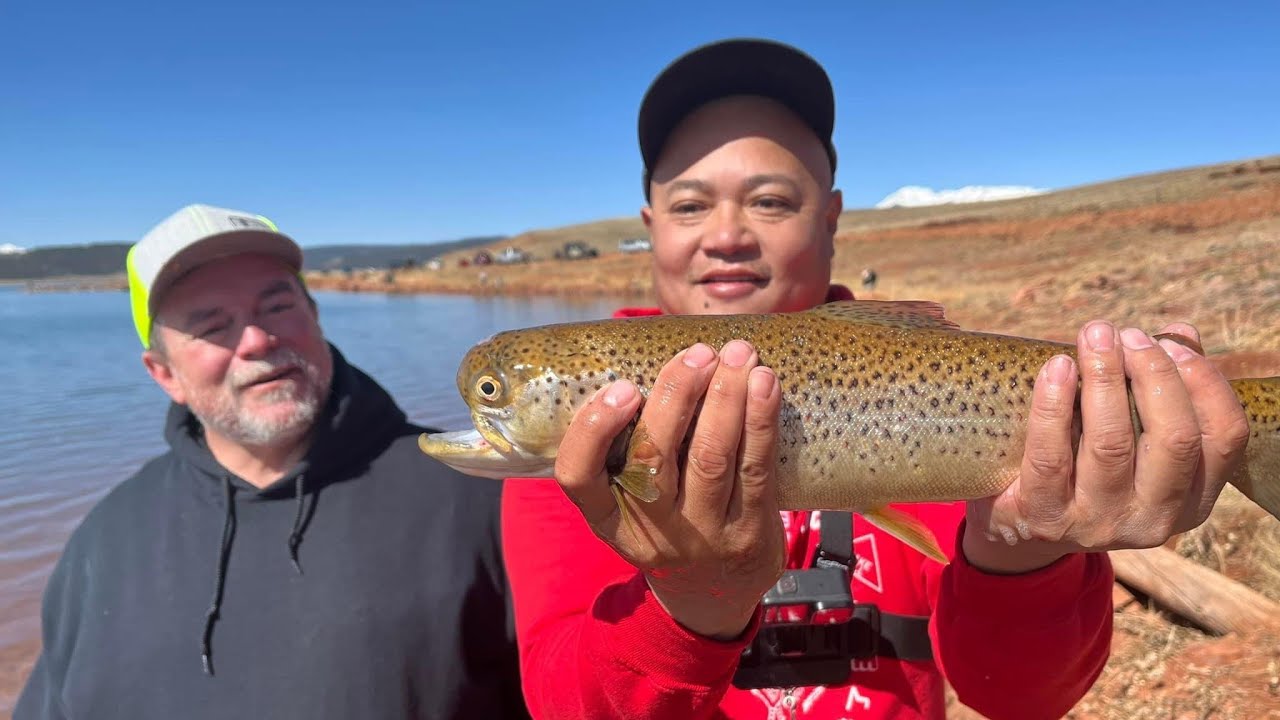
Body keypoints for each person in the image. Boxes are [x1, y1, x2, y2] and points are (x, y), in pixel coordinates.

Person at [500, 39, 1250, 719]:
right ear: (649, 223)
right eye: (690, 204)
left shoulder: (917, 385)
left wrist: (1025, 545)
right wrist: (694, 601)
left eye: (769, 200)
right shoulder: (586, 436)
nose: (726, 235)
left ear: (829, 220)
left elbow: (1015, 697)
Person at [15, 204, 531, 720]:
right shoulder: (105, 539)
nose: (258, 340)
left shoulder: (479, 491)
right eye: (212, 325)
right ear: (164, 374)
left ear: (315, 317)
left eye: (278, 305)